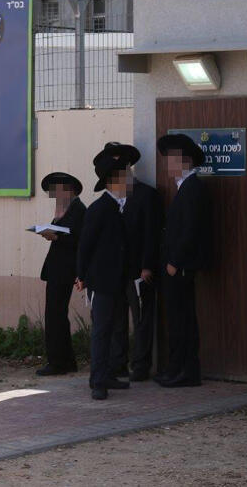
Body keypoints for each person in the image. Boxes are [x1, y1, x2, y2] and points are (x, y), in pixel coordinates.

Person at [94, 142, 164, 382]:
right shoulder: (110, 200)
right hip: (116, 270)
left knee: (142, 317)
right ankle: (117, 363)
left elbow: (151, 234)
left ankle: (141, 365)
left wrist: (147, 266)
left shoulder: (147, 195)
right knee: (117, 319)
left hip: (138, 269)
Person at [155, 133, 210, 388]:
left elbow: (191, 230)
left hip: (181, 267)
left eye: (172, 160)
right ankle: (175, 367)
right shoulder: (182, 188)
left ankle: (186, 370)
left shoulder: (193, 188)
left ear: (185, 161)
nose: (168, 165)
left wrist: (175, 261)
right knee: (176, 318)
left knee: (183, 319)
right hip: (175, 266)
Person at [75, 155, 132, 400]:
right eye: (125, 175)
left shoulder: (121, 207)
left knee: (115, 328)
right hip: (101, 280)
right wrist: (81, 275)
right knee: (101, 330)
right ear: (113, 180)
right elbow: (84, 245)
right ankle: (98, 380)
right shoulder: (99, 209)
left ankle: (108, 373)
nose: (129, 180)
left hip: (119, 280)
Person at [36, 172, 86, 377]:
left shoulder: (78, 210)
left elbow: (78, 239)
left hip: (66, 269)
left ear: (70, 190)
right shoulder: (63, 210)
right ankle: (65, 360)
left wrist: (55, 237)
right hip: (57, 268)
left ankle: (58, 362)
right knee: (55, 314)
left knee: (55, 314)